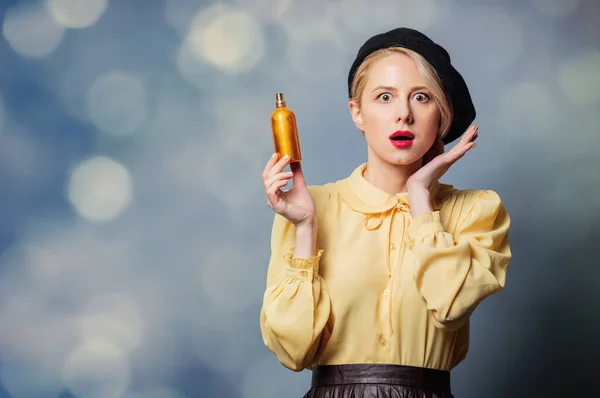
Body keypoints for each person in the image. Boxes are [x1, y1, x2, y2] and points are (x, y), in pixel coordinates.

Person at [259, 27, 512, 398]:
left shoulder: (477, 210)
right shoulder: (309, 208)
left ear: (441, 116)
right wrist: (305, 229)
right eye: (384, 97)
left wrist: (420, 199)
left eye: (421, 98)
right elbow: (293, 351)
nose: (403, 115)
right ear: (357, 112)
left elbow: (450, 304)